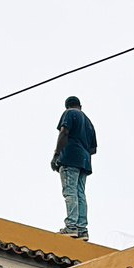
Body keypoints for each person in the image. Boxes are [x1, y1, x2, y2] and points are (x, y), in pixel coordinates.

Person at [51, 95, 97, 240]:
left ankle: (71, 226)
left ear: (67, 106)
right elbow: (93, 149)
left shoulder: (69, 114)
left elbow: (64, 132)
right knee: (80, 194)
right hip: (84, 162)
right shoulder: (89, 123)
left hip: (70, 158)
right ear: (80, 106)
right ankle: (82, 229)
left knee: (70, 191)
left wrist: (56, 155)